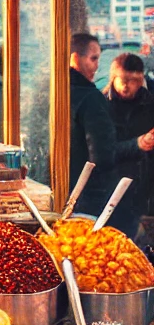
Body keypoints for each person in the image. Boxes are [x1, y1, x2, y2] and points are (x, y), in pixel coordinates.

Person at [102, 52, 154, 237]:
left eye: (132, 80)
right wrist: (137, 144)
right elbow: (102, 152)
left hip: (144, 190)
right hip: (111, 189)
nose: (126, 86)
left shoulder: (150, 103)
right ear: (113, 77)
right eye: (122, 79)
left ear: (140, 81)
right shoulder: (101, 105)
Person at [69, 32, 118, 218]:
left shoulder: (54, 91)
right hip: (85, 199)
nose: (97, 66)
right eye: (93, 58)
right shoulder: (91, 98)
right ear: (75, 58)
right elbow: (102, 156)